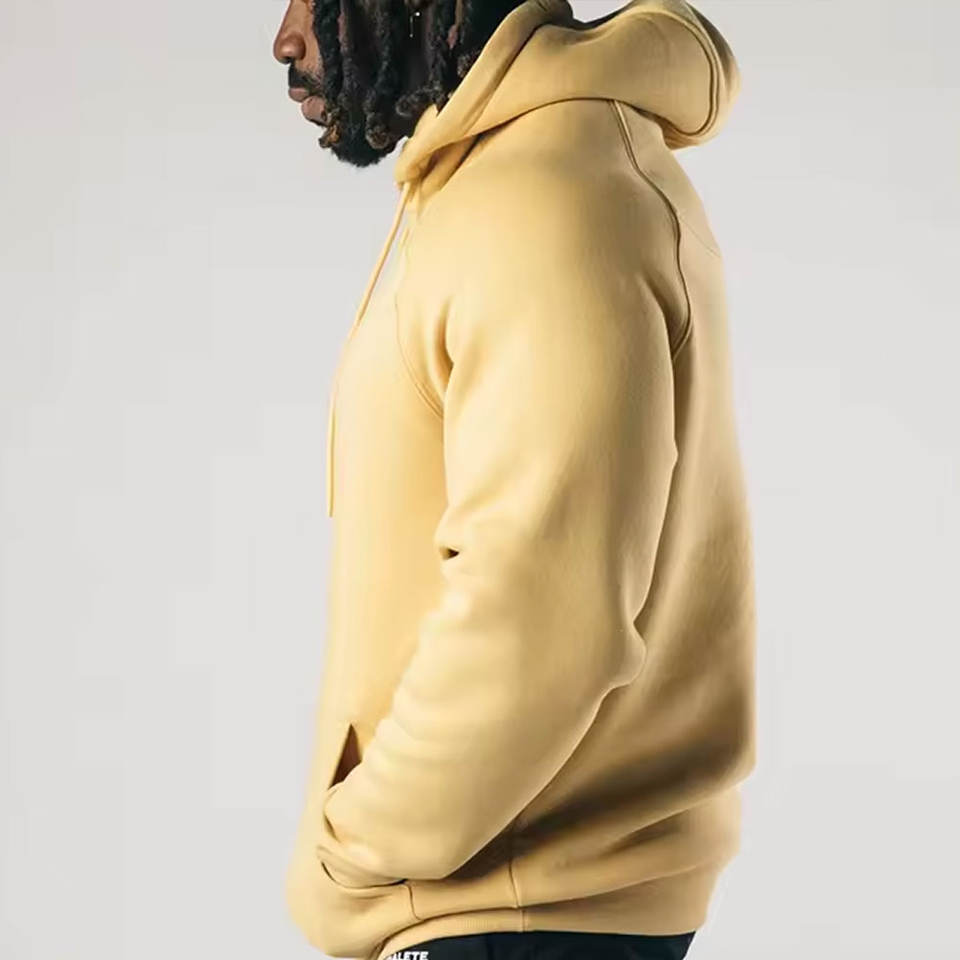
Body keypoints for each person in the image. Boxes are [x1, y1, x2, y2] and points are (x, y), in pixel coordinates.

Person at [271, 2, 756, 959]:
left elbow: (544, 611)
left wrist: (356, 850)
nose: (286, 38)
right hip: (519, 904)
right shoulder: (521, 178)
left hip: (508, 911)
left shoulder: (542, 203)